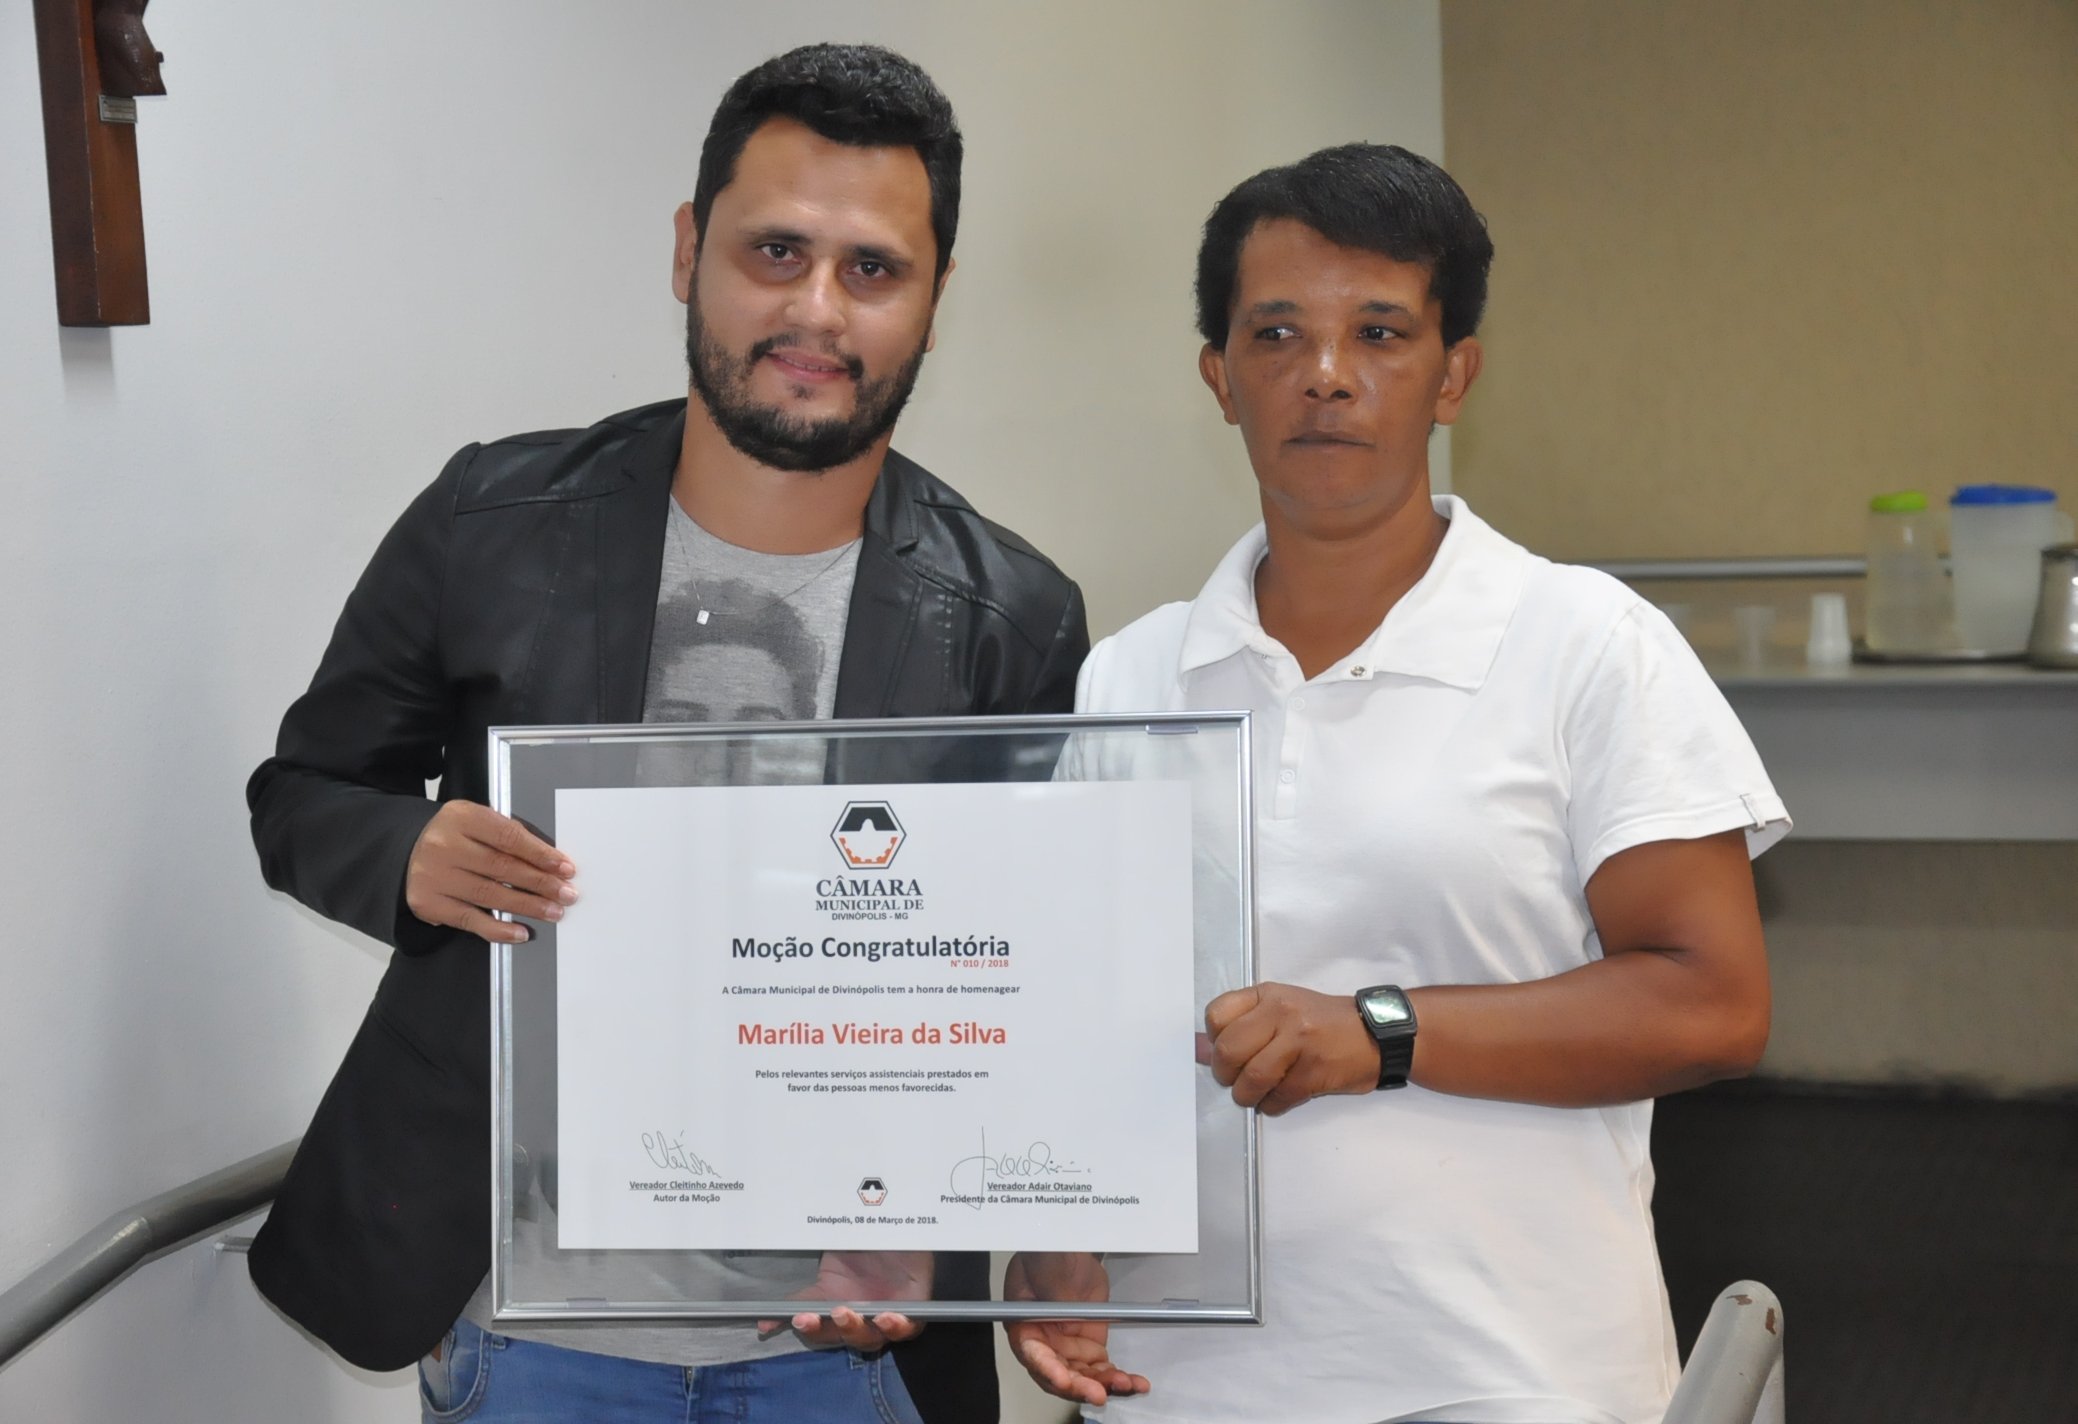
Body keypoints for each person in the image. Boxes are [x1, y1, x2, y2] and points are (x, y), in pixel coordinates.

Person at [246, 43, 1088, 1424]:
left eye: (874, 269)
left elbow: (1021, 975)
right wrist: (408, 852)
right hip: (526, 1332)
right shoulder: (491, 524)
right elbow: (302, 793)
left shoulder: (1012, 616)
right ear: (691, 249)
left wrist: (944, 1213)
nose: (816, 308)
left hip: (843, 1351)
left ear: (934, 301)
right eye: (775, 250)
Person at [1006, 143, 1787, 1424]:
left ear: (1452, 374)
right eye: (1275, 334)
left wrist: (1376, 1032)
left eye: (1377, 332)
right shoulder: (1132, 673)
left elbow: (1712, 1005)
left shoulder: (1585, 643)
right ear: (1218, 378)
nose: (1324, 373)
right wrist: (1051, 1226)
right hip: (1179, 1381)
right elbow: (1075, 1012)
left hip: (1509, 1377)